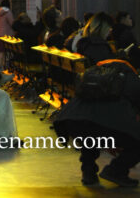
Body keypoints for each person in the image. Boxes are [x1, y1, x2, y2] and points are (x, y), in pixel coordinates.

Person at [54, 12, 140, 187]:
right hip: (98, 116)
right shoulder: (100, 49)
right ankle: (116, 170)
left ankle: (89, 172)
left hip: (74, 115)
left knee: (91, 129)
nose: (110, 33)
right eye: (108, 29)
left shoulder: (80, 44)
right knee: (101, 126)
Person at [0, 0, 14, 69]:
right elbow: (12, 23)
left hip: (0, 34)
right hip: (8, 35)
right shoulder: (8, 12)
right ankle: (7, 66)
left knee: (1, 51)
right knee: (8, 51)